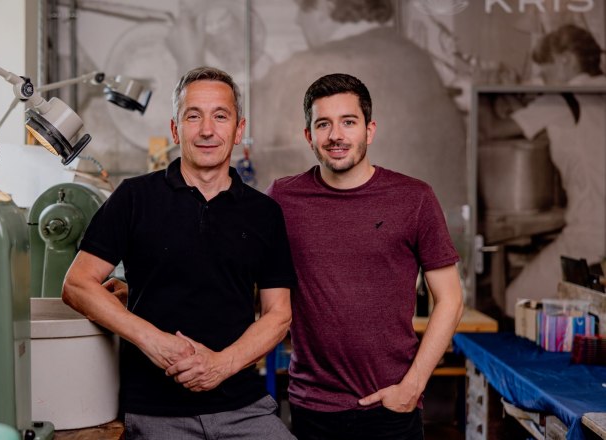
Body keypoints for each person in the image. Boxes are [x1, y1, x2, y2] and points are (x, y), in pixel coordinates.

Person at [62, 66, 297, 440]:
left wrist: (220, 366)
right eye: (193, 116)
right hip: (156, 412)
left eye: (220, 116)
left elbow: (278, 314)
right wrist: (154, 342)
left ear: (238, 130)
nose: (207, 130)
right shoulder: (134, 198)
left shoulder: (264, 213)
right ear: (175, 129)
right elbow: (77, 285)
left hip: (244, 409)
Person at [266, 73, 464, 440]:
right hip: (312, 407)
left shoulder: (414, 198)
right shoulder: (282, 198)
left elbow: (450, 300)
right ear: (308, 135)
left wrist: (412, 387)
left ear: (369, 130)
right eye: (323, 124)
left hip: (391, 406)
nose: (336, 135)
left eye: (349, 122)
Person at [252, 0, 466, 226]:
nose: (297, 20)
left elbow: (252, 160)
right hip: (423, 241)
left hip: (334, 241)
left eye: (303, 9)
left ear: (325, 7)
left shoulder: (302, 70)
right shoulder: (419, 60)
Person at [487, 24, 606, 315]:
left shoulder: (563, 97)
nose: (543, 79)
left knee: (516, 301)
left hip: (591, 235)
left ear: (566, 59)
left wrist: (485, 88)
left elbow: (490, 129)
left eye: (546, 70)